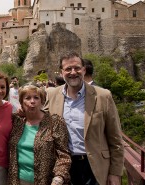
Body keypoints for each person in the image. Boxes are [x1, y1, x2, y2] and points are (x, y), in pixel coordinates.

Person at [44, 51, 124, 185]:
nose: (73, 72)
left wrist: (115, 173)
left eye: (77, 68)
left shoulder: (103, 96)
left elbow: (115, 139)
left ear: (84, 70)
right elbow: (38, 119)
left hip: (95, 166)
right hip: (64, 165)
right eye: (68, 69)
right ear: (61, 72)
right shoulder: (52, 95)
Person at [8, 85, 71, 185]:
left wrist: (59, 176)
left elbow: (63, 154)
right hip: (18, 180)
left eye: (36, 97)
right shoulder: (17, 121)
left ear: (42, 101)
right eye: (27, 98)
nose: (32, 101)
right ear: (21, 102)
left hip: (47, 181)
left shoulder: (54, 122)